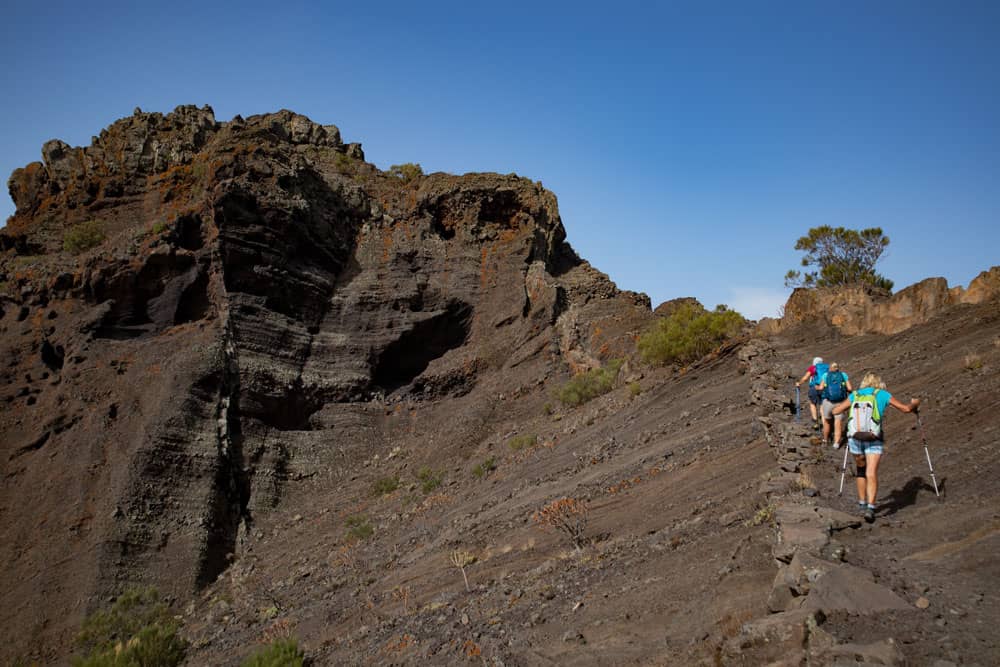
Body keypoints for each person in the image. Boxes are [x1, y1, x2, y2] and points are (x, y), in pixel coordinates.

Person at [832, 373, 920, 523]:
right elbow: (905, 409)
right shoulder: (883, 395)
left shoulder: (855, 395)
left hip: (855, 437)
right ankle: (871, 508)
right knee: (871, 472)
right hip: (874, 438)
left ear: (864, 382)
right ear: (879, 383)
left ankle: (861, 503)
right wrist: (915, 404)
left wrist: (850, 410)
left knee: (860, 471)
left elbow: (836, 411)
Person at [818, 362, 852, 448]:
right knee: (838, 423)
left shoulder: (825, 375)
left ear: (830, 368)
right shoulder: (843, 375)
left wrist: (818, 388)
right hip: (840, 402)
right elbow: (850, 388)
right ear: (838, 368)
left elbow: (821, 388)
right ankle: (836, 443)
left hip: (828, 402)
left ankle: (825, 440)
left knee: (827, 422)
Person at [795, 357, 828, 430]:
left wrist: (799, 383)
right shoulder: (826, 368)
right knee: (822, 407)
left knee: (812, 404)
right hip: (824, 388)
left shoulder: (813, 368)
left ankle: (815, 422)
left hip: (814, 388)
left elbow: (805, 378)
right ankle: (824, 426)